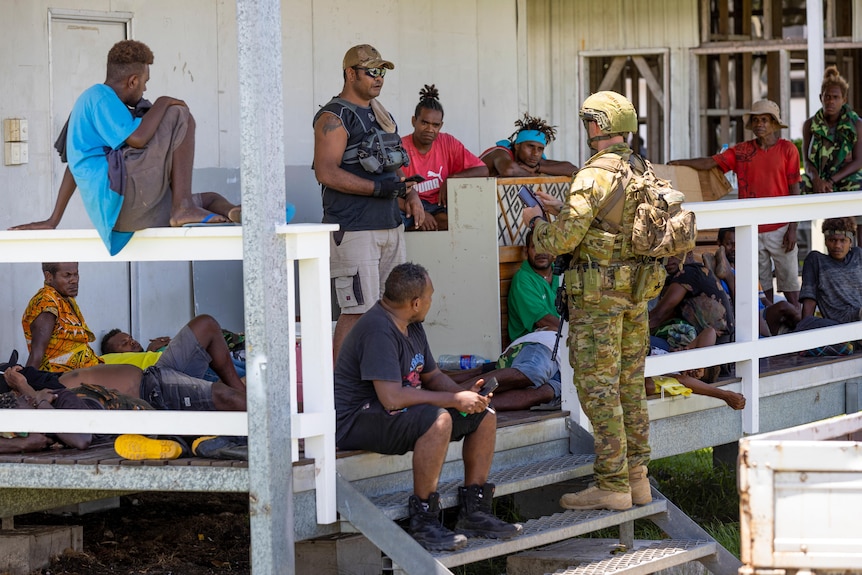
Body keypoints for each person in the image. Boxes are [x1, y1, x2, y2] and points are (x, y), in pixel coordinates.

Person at [522, 91, 661, 511]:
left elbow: (564, 239)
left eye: (589, 123)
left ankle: (612, 484)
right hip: (636, 293)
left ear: (597, 125)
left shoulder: (592, 173)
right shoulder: (641, 167)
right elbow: (611, 224)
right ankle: (638, 479)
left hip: (599, 298)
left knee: (598, 389)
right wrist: (563, 207)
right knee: (630, 386)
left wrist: (537, 226)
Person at [334, 263, 522, 551]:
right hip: (356, 420)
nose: (433, 302)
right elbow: (392, 398)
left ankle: (475, 513)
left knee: (484, 415)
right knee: (439, 420)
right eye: (431, 296)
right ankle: (424, 520)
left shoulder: (412, 325)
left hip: (392, 412)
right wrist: (452, 401)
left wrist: (464, 396)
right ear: (415, 303)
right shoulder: (377, 330)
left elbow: (432, 376)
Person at [10, 40, 241, 255]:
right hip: (122, 198)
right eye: (144, 83)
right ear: (132, 81)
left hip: (121, 214)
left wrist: (53, 220)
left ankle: (232, 212)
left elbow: (74, 165)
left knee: (210, 199)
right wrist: (162, 101)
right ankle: (182, 207)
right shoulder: (99, 97)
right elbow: (138, 139)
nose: (145, 90)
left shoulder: (94, 105)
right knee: (179, 114)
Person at [312, 44, 424, 358]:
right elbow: (326, 172)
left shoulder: (380, 113)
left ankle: (384, 384)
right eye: (371, 71)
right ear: (350, 73)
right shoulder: (333, 116)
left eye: (382, 71)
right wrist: (376, 190)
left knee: (397, 309)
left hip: (390, 225)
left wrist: (410, 194)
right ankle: (340, 395)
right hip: (355, 228)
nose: (379, 79)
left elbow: (395, 166)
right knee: (358, 311)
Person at [670, 100, 801, 307]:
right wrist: (679, 163)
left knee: (791, 283)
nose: (759, 124)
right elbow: (710, 162)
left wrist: (793, 228)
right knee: (761, 283)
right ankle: (769, 322)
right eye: (756, 120)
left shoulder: (788, 150)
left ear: (775, 124)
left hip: (781, 227)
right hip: (751, 228)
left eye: (764, 120)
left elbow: (795, 189)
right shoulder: (742, 151)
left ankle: (800, 328)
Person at [399, 85, 489, 231]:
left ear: (441, 126)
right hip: (408, 206)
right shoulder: (399, 147)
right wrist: (421, 213)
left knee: (463, 225)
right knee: (396, 222)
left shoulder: (447, 142)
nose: (430, 129)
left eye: (435, 125)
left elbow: (483, 170)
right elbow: (388, 194)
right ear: (413, 121)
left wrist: (453, 178)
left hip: (439, 207)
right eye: (424, 122)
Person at [708, 227, 799, 336]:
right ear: (719, 243)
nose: (734, 248)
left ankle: (804, 331)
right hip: (742, 314)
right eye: (729, 244)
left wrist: (775, 312)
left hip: (762, 315)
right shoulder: (716, 272)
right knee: (784, 306)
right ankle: (806, 331)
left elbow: (764, 300)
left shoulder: (747, 269)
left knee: (787, 311)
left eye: (738, 244)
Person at [22, 262, 103, 372]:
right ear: (49, 276)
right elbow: (37, 351)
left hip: (86, 374)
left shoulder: (65, 299)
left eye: (76, 274)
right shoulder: (46, 301)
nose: (74, 280)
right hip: (65, 380)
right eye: (67, 275)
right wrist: (24, 384)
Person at [649, 252, 735, 344]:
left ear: (689, 253)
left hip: (715, 344)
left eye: (674, 253)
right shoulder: (698, 271)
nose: (668, 259)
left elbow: (659, 314)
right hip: (718, 342)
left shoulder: (688, 273)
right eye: (664, 255)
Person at [801, 66, 862, 197]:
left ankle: (850, 218)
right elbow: (806, 161)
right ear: (820, 98)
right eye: (827, 97)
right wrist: (816, 180)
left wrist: (831, 181)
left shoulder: (856, 124)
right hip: (818, 177)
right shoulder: (810, 125)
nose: (830, 101)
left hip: (845, 176)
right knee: (798, 184)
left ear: (844, 100)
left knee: (858, 183)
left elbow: (859, 161)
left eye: (836, 97)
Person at [799, 217, 862, 325]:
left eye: (843, 241)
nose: (837, 246)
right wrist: (804, 327)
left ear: (850, 242)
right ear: (826, 241)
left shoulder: (858, 255)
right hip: (837, 321)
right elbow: (809, 298)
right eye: (832, 240)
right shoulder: (816, 260)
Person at [480, 113, 578, 177]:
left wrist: (538, 168)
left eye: (540, 149)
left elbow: (572, 169)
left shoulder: (531, 160)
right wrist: (533, 175)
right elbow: (509, 170)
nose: (535, 153)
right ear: (517, 146)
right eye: (530, 146)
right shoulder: (500, 152)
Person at [507, 229, 561, 342]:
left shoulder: (560, 273)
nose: (541, 252)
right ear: (526, 251)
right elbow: (543, 321)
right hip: (530, 345)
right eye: (535, 247)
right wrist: (573, 331)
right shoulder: (523, 280)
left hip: (559, 338)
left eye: (545, 246)